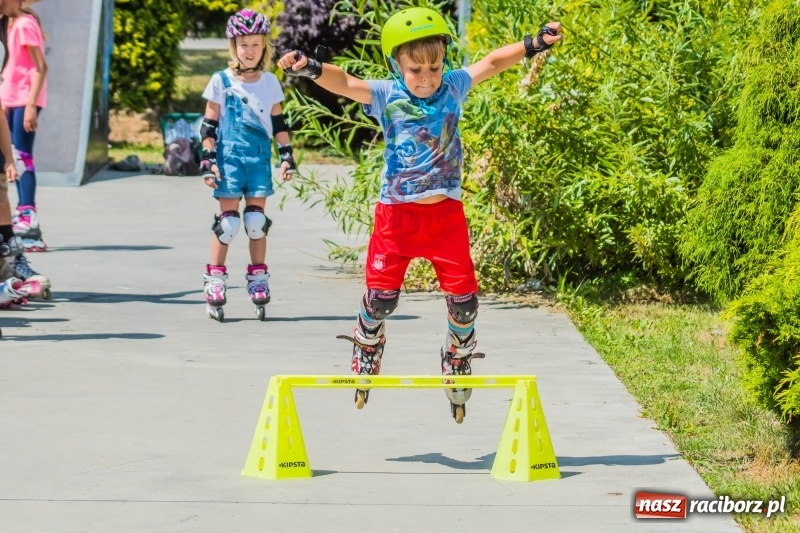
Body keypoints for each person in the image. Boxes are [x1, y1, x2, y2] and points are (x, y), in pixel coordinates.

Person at [279, 7, 562, 422]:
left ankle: (457, 355)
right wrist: (311, 67)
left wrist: (533, 44)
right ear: (396, 65)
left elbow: (492, 62)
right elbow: (344, 82)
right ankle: (367, 339)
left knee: (464, 305)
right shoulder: (386, 94)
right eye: (416, 69)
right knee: (381, 300)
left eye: (434, 66)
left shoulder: (453, 86)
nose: (427, 77)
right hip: (397, 218)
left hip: (445, 217)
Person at [199, 9, 295, 322]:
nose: (249, 50)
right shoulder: (221, 81)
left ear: (264, 46)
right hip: (228, 158)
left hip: (258, 159)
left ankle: (258, 278)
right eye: (243, 44)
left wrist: (286, 155)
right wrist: (207, 159)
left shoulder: (269, 83)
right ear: (234, 46)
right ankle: (215, 278)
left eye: (255, 44)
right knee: (228, 224)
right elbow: (209, 125)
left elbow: (279, 122)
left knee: (255, 222)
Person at [0, 1, 48, 305]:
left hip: (22, 100)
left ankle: (26, 215)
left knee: (19, 159)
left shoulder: (24, 23)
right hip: (8, 98)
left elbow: (40, 66)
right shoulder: (9, 25)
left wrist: (31, 103)